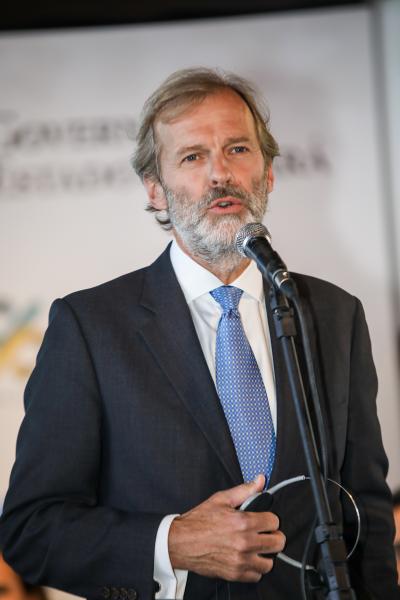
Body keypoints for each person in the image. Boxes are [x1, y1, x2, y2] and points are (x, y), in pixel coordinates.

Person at [0, 67, 399, 600]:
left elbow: (366, 511)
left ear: (268, 172)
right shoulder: (91, 328)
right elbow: (31, 529)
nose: (220, 174)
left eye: (238, 149)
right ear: (155, 190)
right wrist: (172, 543)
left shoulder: (332, 314)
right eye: (192, 156)